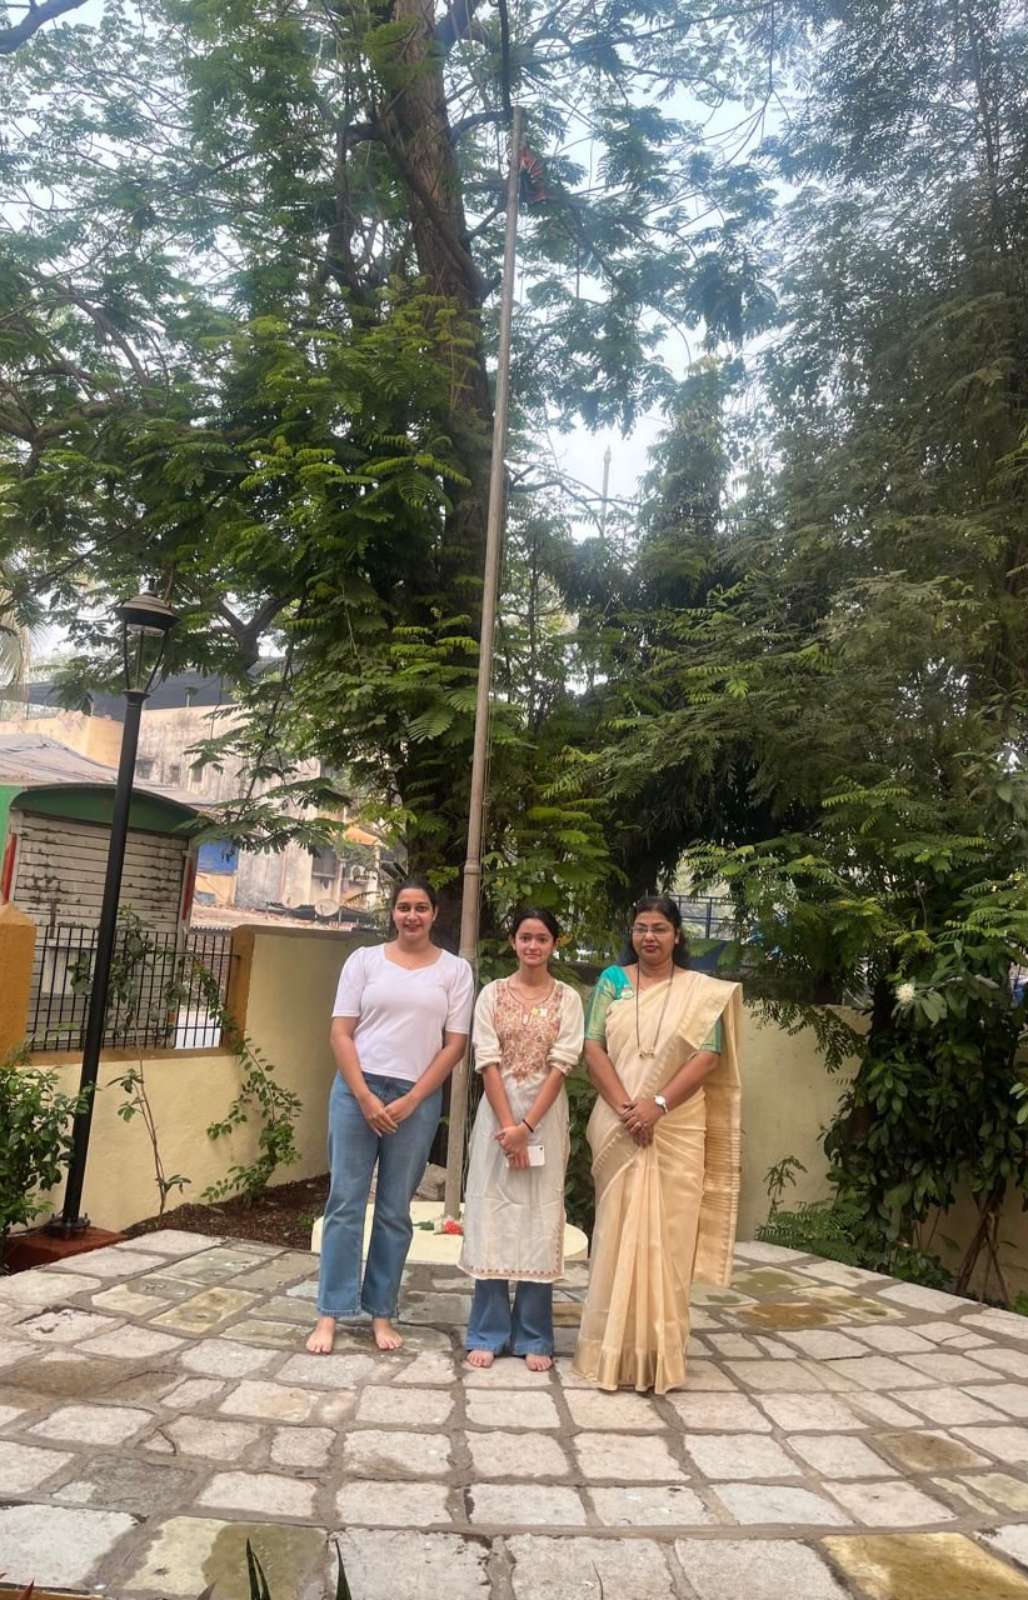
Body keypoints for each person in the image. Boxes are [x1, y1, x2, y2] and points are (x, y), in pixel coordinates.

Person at [572, 895, 742, 1394]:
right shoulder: (613, 982)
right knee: (616, 1232)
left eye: (660, 928)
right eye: (641, 927)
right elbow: (592, 1046)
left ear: (677, 935)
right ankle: (608, 1351)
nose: (649, 937)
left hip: (677, 1126)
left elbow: (708, 1056)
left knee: (669, 1239)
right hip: (619, 1121)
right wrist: (629, 1107)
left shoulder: (700, 992)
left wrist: (658, 1105)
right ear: (632, 933)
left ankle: (659, 1356)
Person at [307, 878, 474, 1355]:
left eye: (421, 908)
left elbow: (455, 1045)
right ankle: (330, 1312)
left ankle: (381, 1312)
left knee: (395, 1210)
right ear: (393, 913)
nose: (411, 916)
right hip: (356, 1091)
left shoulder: (455, 971)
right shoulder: (364, 961)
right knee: (345, 1202)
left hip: (415, 1098)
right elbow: (341, 1033)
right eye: (403, 907)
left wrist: (413, 1098)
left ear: (435, 913)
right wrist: (363, 1096)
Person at [460, 908, 584, 1372]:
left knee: (538, 1216)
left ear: (554, 944)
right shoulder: (491, 994)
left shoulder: (568, 999)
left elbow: (562, 1065)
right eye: (526, 937)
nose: (533, 946)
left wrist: (526, 1128)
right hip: (496, 1118)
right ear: (513, 941)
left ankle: (534, 1334)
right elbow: (487, 1061)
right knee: (492, 1213)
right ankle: (487, 1332)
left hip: (545, 1120)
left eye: (542, 938)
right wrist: (508, 1125)